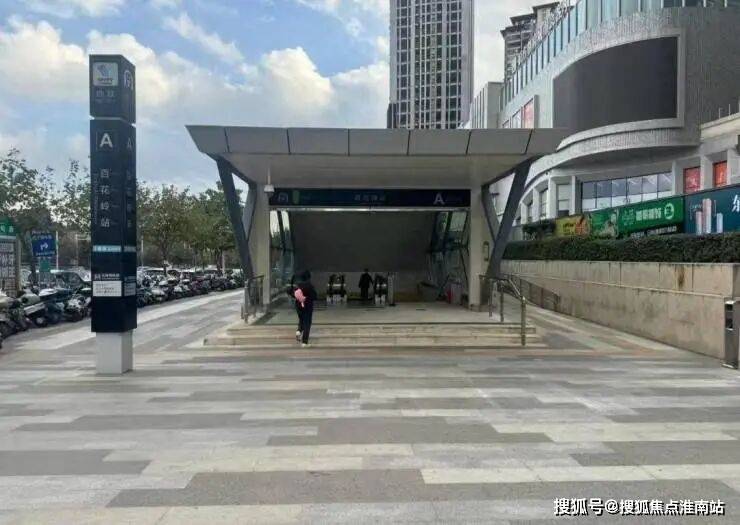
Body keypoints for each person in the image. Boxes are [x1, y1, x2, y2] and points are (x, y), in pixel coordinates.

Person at [296, 270, 317, 347]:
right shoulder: (309, 286)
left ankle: (299, 331)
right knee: (307, 323)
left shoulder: (298, 285)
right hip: (307, 306)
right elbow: (314, 296)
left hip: (298, 306)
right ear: (308, 277)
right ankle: (304, 342)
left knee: (301, 319)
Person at [286, 274, 302, 341]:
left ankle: (299, 332)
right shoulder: (300, 286)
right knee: (303, 319)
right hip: (302, 304)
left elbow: (290, 292)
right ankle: (299, 331)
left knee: (301, 319)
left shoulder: (293, 286)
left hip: (298, 304)